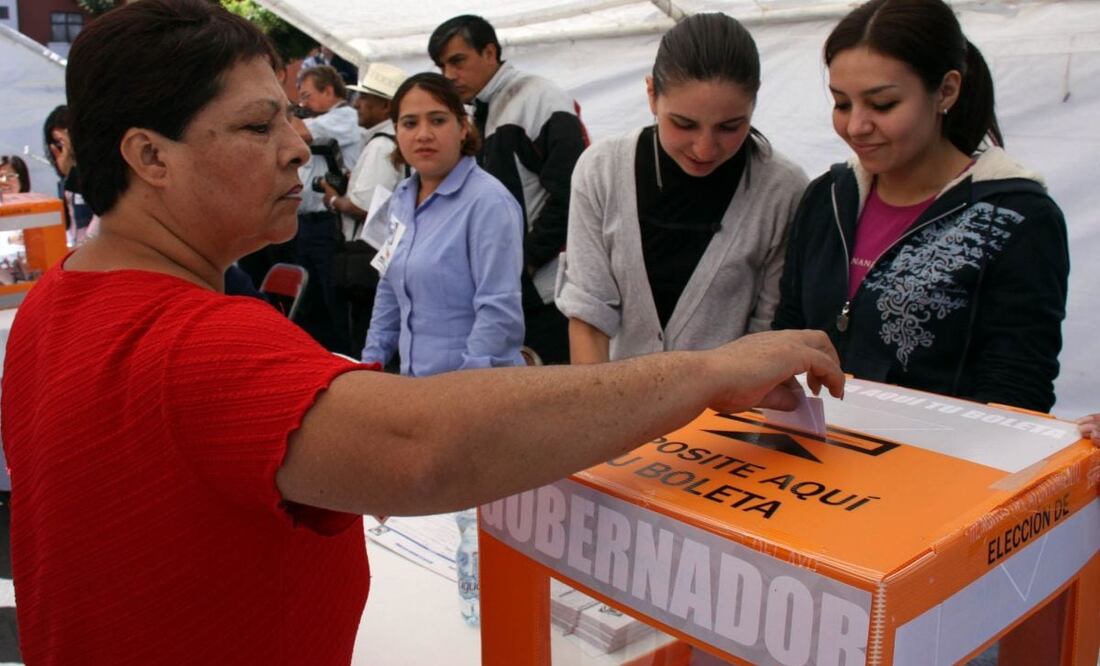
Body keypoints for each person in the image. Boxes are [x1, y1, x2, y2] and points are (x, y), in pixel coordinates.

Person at [0, 2, 844, 663]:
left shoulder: (53, 302)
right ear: (150, 157)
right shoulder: (197, 342)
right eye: (259, 127)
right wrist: (704, 374)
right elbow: (424, 447)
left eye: (292, 117)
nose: (300, 148)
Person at [773, 0, 1069, 413]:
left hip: (939, 466)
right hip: (807, 460)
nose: (856, 126)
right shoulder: (828, 196)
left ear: (946, 90)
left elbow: (1017, 390)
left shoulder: (1016, 218)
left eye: (882, 104)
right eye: (842, 103)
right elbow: (786, 334)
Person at [556, 14, 807, 363]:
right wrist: (595, 411)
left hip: (727, 410)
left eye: (730, 127)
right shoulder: (602, 170)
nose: (704, 148)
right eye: (683, 124)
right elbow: (588, 313)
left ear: (753, 104)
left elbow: (767, 333)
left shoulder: (781, 190)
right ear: (652, 95)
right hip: (620, 405)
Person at [429, 15, 587, 365]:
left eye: (457, 61)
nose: (449, 75)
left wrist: (528, 259)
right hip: (506, 291)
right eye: (442, 66)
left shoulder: (539, 97)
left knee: (551, 403)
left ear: (489, 52)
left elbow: (576, 191)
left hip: (546, 293)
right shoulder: (484, 109)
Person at [360, 73, 525, 377]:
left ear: (463, 127)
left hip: (474, 393)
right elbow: (389, 287)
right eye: (410, 123)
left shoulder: (488, 203)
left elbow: (498, 312)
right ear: (395, 131)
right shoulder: (402, 198)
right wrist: (370, 364)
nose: (423, 134)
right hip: (416, 387)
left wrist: (460, 393)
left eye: (437, 120)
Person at [288, 64, 364, 355]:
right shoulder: (323, 119)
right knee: (310, 298)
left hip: (329, 222)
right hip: (308, 223)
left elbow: (298, 131)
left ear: (328, 91)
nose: (304, 103)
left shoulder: (343, 117)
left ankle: (344, 355)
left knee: (332, 297)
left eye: (308, 96)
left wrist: (288, 111)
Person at [322, 62, 407, 235]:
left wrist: (332, 199)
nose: (355, 105)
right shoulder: (392, 140)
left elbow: (363, 208)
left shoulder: (381, 146)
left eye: (363, 97)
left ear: (386, 106)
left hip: (366, 250)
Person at [42, 105, 98, 242]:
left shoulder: (99, 171)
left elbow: (105, 212)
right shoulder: (65, 178)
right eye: (58, 143)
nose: (64, 149)